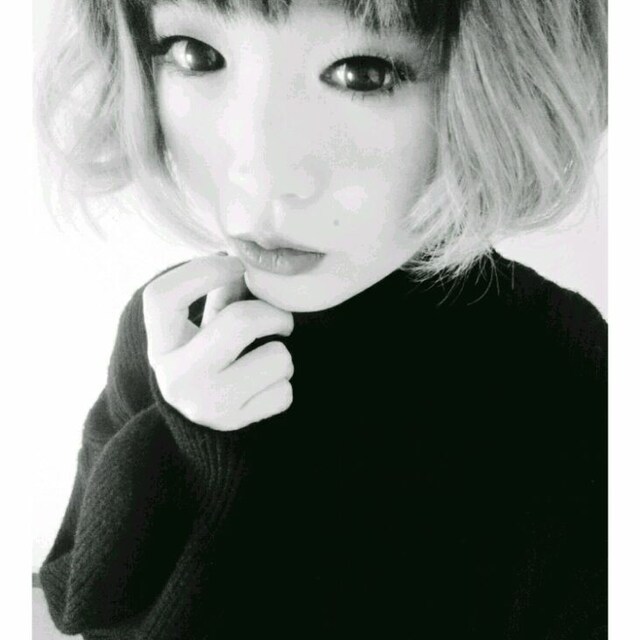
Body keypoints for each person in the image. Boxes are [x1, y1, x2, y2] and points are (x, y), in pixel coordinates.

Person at [36, 0, 607, 638]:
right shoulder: (174, 324)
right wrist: (189, 448)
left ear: (502, 80)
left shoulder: (568, 373)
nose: (260, 179)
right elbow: (78, 605)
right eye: (197, 55)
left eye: (364, 73)